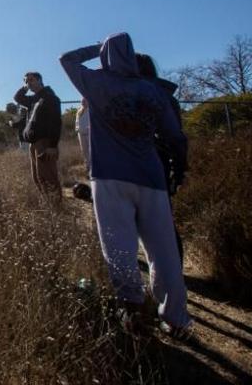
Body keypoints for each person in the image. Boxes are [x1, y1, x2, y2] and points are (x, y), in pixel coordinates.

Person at [60, 33, 192, 338]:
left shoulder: (96, 83)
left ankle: (132, 310)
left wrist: (100, 48)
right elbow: (175, 137)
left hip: (109, 177)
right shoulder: (153, 91)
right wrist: (180, 170)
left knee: (118, 246)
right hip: (151, 176)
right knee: (164, 251)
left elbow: (66, 59)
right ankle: (175, 317)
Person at [137, 53, 187, 266]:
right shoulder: (167, 95)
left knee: (139, 215)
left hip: (144, 161)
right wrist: (179, 169)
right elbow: (177, 139)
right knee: (162, 217)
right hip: (162, 162)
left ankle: (161, 266)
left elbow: (174, 136)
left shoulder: (136, 93)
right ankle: (173, 266)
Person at [13, 72, 63, 202]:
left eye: (31, 80)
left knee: (48, 177)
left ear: (40, 80)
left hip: (45, 143)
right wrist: (25, 87)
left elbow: (56, 122)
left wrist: (52, 146)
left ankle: (57, 208)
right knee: (37, 178)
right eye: (26, 81)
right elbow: (17, 97)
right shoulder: (33, 99)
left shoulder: (50, 97)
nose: (29, 82)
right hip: (33, 144)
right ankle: (49, 205)